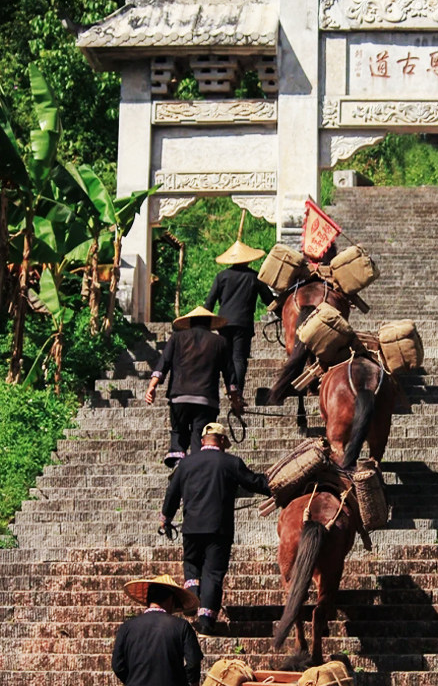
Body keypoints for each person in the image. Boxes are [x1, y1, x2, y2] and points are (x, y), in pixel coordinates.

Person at [160, 422, 272, 637]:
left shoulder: (186, 464)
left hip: (191, 527)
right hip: (218, 530)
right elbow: (253, 482)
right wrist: (275, 484)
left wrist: (165, 518)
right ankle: (206, 621)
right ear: (222, 441)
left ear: (202, 441)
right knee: (212, 574)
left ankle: (192, 594)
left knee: (192, 564)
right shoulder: (231, 463)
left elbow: (172, 494)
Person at [145, 306, 243, 468]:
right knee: (200, 437)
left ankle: (178, 461)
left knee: (179, 433)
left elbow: (164, 363)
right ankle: (196, 469)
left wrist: (152, 386)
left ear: (190, 322)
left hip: (179, 398)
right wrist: (235, 401)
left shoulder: (177, 338)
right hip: (206, 400)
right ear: (210, 323)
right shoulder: (220, 342)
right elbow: (229, 375)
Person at [204, 238, 273, 393]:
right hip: (243, 323)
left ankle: (229, 386)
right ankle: (237, 391)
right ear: (248, 260)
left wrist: (203, 323)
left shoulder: (221, 277)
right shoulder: (255, 277)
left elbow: (209, 303)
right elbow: (268, 300)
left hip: (223, 323)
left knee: (226, 358)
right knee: (239, 358)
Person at [112, 573, 203, 686]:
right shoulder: (182, 626)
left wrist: (134, 680)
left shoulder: (127, 627)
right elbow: (193, 663)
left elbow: (117, 665)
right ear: (170, 600)